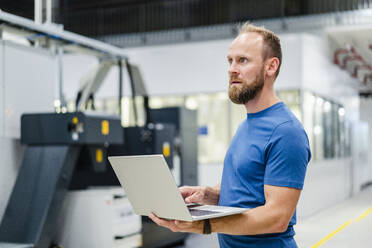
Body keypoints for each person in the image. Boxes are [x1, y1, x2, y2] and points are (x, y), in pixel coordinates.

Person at [149, 22, 311, 248]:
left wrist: (203, 225)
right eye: (230, 61)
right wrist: (208, 194)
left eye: (243, 60)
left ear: (271, 66)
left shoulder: (286, 131)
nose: (232, 69)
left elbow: (277, 218)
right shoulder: (247, 125)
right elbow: (248, 193)